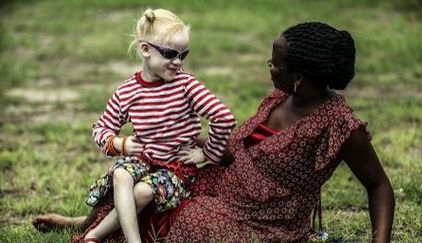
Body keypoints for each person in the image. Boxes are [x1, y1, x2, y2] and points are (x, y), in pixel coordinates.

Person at [33, 22, 395, 242]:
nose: (269, 66)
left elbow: (379, 187)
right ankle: (81, 223)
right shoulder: (278, 99)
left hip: (265, 217)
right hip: (223, 180)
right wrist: (186, 144)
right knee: (152, 183)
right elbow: (243, 146)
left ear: (299, 78)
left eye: (276, 63)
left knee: (188, 218)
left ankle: (94, 228)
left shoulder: (339, 125)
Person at [49, 8, 236, 243]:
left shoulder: (186, 85)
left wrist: (206, 152)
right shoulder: (128, 91)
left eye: (183, 54)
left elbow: (224, 117)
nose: (177, 62)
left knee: (143, 191)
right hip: (143, 161)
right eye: (170, 54)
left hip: (174, 170)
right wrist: (121, 143)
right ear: (145, 49)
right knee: (120, 174)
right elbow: (101, 129)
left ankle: (95, 235)